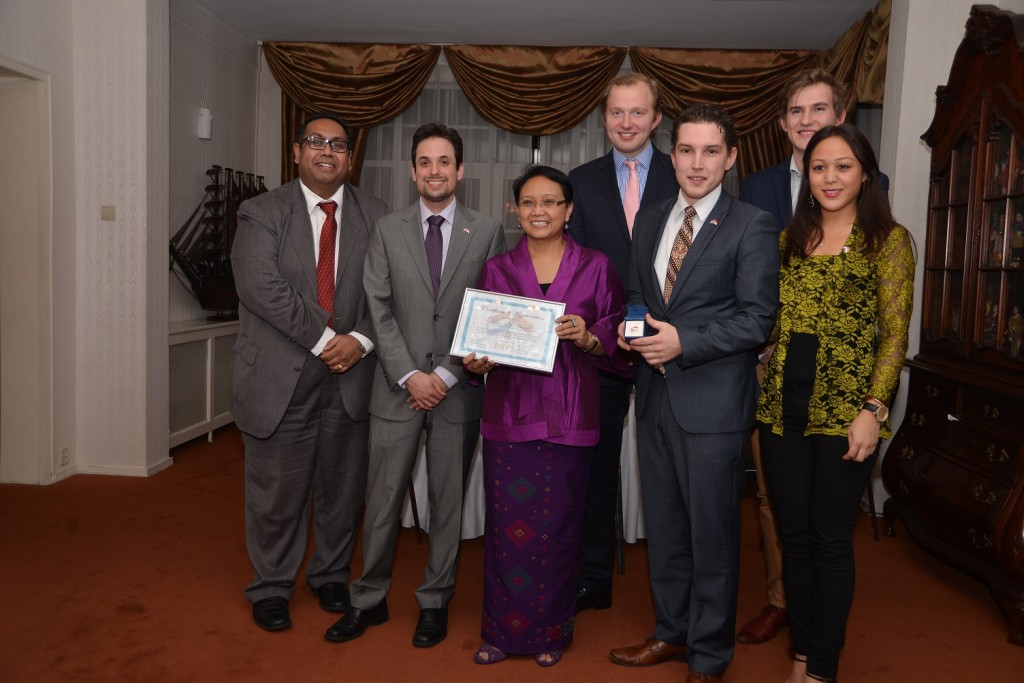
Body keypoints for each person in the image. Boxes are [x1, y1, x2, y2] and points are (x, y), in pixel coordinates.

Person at [611, 104, 779, 682]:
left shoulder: (751, 224)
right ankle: (671, 633)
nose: (697, 163)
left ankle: (708, 658)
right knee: (666, 529)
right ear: (671, 154)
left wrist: (686, 342)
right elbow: (639, 294)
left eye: (711, 151)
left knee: (712, 538)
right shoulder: (652, 217)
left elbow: (758, 320)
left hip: (713, 405)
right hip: (653, 399)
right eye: (686, 150)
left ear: (731, 157)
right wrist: (630, 331)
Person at [325, 122, 506, 648]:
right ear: (412, 171)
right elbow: (377, 306)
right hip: (396, 388)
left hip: (457, 389)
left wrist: (446, 373)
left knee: (447, 502)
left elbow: (486, 311)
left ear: (460, 169)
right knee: (381, 501)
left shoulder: (488, 230)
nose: (435, 171)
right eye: (425, 162)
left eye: (444, 161)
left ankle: (435, 601)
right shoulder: (387, 228)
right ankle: (368, 600)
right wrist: (409, 374)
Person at [736, 68, 888, 646]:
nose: (807, 121)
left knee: (827, 533)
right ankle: (789, 614)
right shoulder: (763, 199)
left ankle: (817, 646)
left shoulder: (879, 221)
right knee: (781, 511)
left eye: (817, 109)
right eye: (796, 112)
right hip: (778, 385)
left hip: (845, 394)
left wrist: (873, 405)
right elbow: (752, 290)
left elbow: (885, 323)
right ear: (783, 125)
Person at [757, 123, 914, 683]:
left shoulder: (888, 241)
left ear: (865, 174)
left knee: (828, 540)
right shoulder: (787, 241)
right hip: (781, 407)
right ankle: (801, 651)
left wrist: (874, 409)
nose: (829, 177)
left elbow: (895, 334)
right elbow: (767, 321)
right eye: (819, 167)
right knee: (793, 539)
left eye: (843, 166)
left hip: (847, 410)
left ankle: (822, 667)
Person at [464, 165, 630, 667]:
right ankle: (501, 632)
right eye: (529, 202)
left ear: (569, 210)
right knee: (505, 528)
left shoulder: (597, 267)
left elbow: (617, 335)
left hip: (570, 414)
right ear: (515, 210)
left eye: (550, 202)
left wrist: (588, 336)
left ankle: (550, 632)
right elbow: (476, 345)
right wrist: (475, 360)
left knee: (559, 528)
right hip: (509, 416)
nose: (539, 211)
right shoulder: (496, 269)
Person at [231, 112, 388, 632]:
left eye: (339, 145)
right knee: (276, 490)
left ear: (350, 157)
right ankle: (272, 585)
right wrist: (327, 341)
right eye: (316, 142)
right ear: (296, 152)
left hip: (353, 374)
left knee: (343, 488)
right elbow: (262, 288)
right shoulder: (260, 211)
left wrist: (362, 340)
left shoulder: (378, 214)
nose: (328, 151)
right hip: (282, 376)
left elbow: (389, 291)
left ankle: (330, 575)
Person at [567, 72, 679, 614]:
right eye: (617, 113)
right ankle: (593, 578)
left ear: (656, 119)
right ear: (604, 118)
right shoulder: (581, 180)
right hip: (601, 346)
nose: (627, 123)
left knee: (673, 467)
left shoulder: (684, 172)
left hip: (670, 344)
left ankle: (677, 589)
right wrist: (599, 331)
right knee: (596, 464)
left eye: (638, 113)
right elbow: (575, 266)